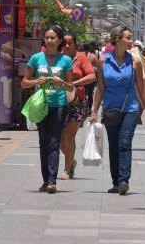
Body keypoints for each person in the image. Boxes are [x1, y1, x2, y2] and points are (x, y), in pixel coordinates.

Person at [90, 26, 145, 195]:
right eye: (128, 37)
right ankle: (116, 182)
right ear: (117, 40)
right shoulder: (103, 61)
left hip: (131, 109)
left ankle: (124, 180)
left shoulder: (134, 62)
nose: (131, 41)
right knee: (114, 146)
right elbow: (100, 88)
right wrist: (94, 111)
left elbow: (141, 89)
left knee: (125, 143)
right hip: (111, 109)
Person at [21, 25, 74, 194]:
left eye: (52, 38)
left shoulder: (65, 60)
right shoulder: (36, 58)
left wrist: (62, 83)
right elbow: (24, 82)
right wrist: (37, 82)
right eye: (47, 37)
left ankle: (52, 180)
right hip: (41, 105)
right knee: (43, 142)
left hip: (59, 104)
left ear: (59, 41)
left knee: (53, 142)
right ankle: (46, 180)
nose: (49, 40)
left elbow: (71, 87)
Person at [59, 32, 95, 180]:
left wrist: (74, 83)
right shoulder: (58, 58)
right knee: (59, 138)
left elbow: (92, 76)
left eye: (70, 43)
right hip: (59, 100)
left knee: (69, 135)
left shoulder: (81, 58)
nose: (67, 46)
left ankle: (67, 170)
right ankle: (71, 160)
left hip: (77, 101)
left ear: (75, 44)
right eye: (65, 43)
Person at [82, 42, 98, 111]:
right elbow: (97, 66)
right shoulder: (93, 56)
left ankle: (84, 108)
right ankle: (89, 109)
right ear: (89, 48)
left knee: (83, 93)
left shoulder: (80, 56)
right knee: (90, 94)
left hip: (82, 77)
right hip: (91, 78)